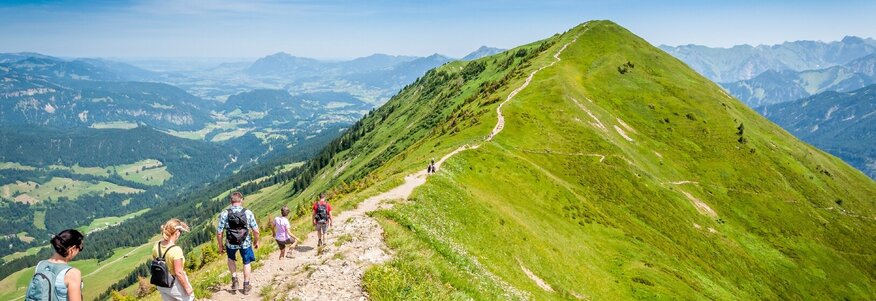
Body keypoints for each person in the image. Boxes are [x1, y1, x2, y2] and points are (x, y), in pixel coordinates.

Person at [217, 191, 260, 295]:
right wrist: (256, 241)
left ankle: (235, 280)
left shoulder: (225, 213)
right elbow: (256, 230)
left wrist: (220, 245)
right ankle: (246, 286)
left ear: (231, 201)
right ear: (241, 200)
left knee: (231, 259)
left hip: (230, 242)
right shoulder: (248, 212)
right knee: (246, 262)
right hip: (245, 242)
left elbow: (219, 232)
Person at [25, 229, 84, 301]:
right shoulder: (72, 274)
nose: (79, 251)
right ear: (73, 249)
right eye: (80, 248)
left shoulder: (40, 265)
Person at [152, 219, 193, 301]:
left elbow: (155, 261)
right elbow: (179, 273)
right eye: (180, 232)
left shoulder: (157, 245)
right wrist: (187, 287)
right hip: (175, 284)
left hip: (162, 283)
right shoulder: (176, 250)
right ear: (177, 233)